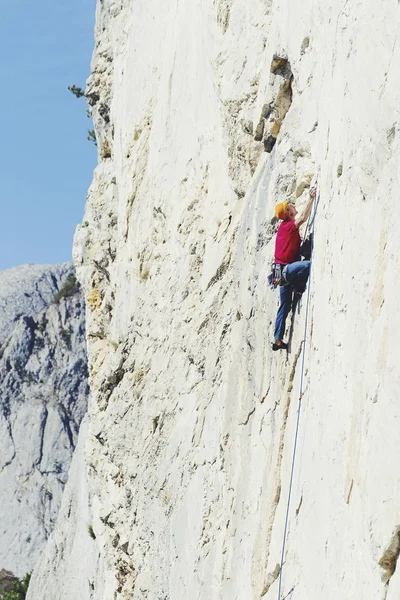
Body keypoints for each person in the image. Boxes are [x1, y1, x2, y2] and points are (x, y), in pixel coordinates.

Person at [272, 186, 317, 351]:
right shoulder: (288, 226)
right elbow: (303, 217)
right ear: (289, 212)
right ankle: (298, 287)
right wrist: (310, 198)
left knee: (284, 305)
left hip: (279, 271)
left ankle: (277, 339)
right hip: (285, 270)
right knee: (310, 265)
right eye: (290, 206)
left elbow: (299, 217)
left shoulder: (284, 226)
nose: (292, 205)